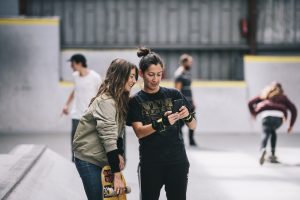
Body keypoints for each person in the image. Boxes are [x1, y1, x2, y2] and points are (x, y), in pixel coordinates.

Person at [127, 47, 197, 200]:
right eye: (151, 74)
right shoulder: (135, 100)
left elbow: (193, 126)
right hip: (151, 164)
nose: (155, 79)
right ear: (141, 74)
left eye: (159, 74)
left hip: (177, 162)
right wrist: (162, 122)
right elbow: (139, 132)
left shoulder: (174, 94)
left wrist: (187, 117)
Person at [73, 58, 138, 200]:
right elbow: (109, 138)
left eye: (135, 77)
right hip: (88, 158)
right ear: (120, 76)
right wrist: (117, 175)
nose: (134, 81)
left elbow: (118, 132)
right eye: (131, 76)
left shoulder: (119, 100)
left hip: (102, 156)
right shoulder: (107, 102)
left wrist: (119, 153)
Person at [61, 54, 101, 162]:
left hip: (90, 114)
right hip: (76, 113)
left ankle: (89, 159)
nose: (71, 66)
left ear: (79, 63)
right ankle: (75, 159)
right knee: (75, 138)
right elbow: (74, 91)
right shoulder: (75, 76)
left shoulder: (95, 77)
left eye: (72, 63)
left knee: (90, 139)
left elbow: (100, 94)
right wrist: (66, 105)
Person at [248, 81, 297, 165]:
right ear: (281, 89)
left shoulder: (266, 94)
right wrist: (291, 125)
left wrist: (253, 114)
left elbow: (250, 102)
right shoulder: (283, 97)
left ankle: (263, 149)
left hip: (266, 116)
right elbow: (294, 109)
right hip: (279, 117)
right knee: (273, 131)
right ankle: (273, 155)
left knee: (265, 133)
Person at [174, 54, 197, 146]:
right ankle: (180, 141)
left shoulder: (187, 73)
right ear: (184, 62)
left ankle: (191, 141)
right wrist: (181, 103)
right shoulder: (179, 74)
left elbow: (189, 88)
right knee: (181, 123)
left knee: (193, 120)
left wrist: (193, 101)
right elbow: (178, 91)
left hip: (190, 102)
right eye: (190, 62)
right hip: (184, 103)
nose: (191, 64)